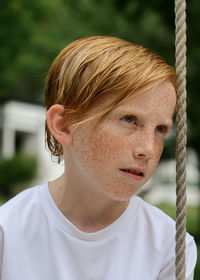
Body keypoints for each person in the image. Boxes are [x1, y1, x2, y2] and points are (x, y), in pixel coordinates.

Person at [0, 36, 197, 280]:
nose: (148, 148)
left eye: (160, 129)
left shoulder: (170, 246)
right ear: (64, 126)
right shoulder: (6, 233)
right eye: (129, 120)